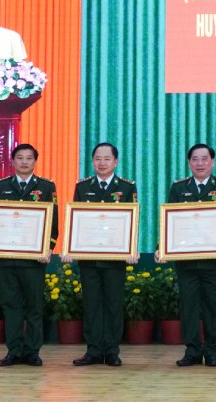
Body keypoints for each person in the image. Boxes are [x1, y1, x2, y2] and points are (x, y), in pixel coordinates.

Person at [0, 143, 58, 367]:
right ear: (12, 162)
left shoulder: (46, 186)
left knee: (34, 307)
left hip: (34, 260)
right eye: (19, 158)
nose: (24, 162)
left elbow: (54, 222)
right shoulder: (1, 186)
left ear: (35, 161)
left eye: (29, 158)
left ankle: (32, 351)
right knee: (11, 307)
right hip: (7, 258)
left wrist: (48, 248)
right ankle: (13, 351)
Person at [159, 143, 216, 368]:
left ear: (212, 162)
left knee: (214, 306)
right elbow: (168, 220)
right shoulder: (178, 188)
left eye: (205, 159)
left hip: (215, 260)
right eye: (195, 159)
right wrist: (161, 247)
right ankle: (192, 350)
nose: (200, 163)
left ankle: (212, 350)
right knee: (189, 306)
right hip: (186, 261)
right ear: (189, 163)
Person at [68, 142, 138, 367]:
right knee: (92, 304)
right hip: (88, 259)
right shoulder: (82, 186)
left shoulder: (127, 188)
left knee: (113, 304)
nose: (102, 162)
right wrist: (70, 247)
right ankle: (93, 350)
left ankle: (112, 351)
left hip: (115, 259)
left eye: (107, 158)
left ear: (115, 162)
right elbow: (76, 221)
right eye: (98, 158)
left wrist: (131, 248)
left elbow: (132, 222)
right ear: (92, 161)